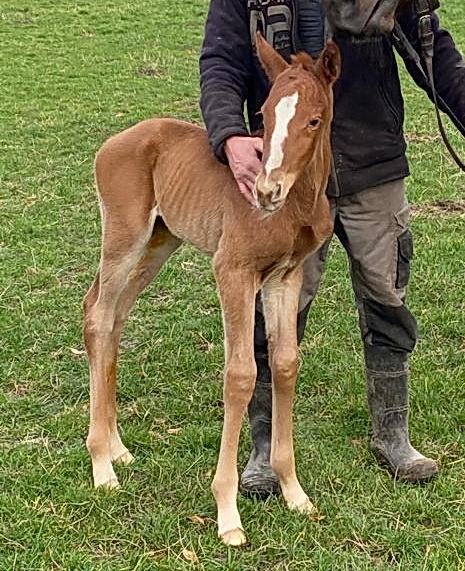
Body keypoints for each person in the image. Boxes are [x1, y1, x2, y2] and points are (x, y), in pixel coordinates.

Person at [199, 0, 465, 497]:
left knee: (386, 292)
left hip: (371, 159)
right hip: (286, 182)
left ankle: (392, 432)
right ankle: (263, 444)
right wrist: (229, 135)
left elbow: (431, 48)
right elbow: (221, 59)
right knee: (275, 305)